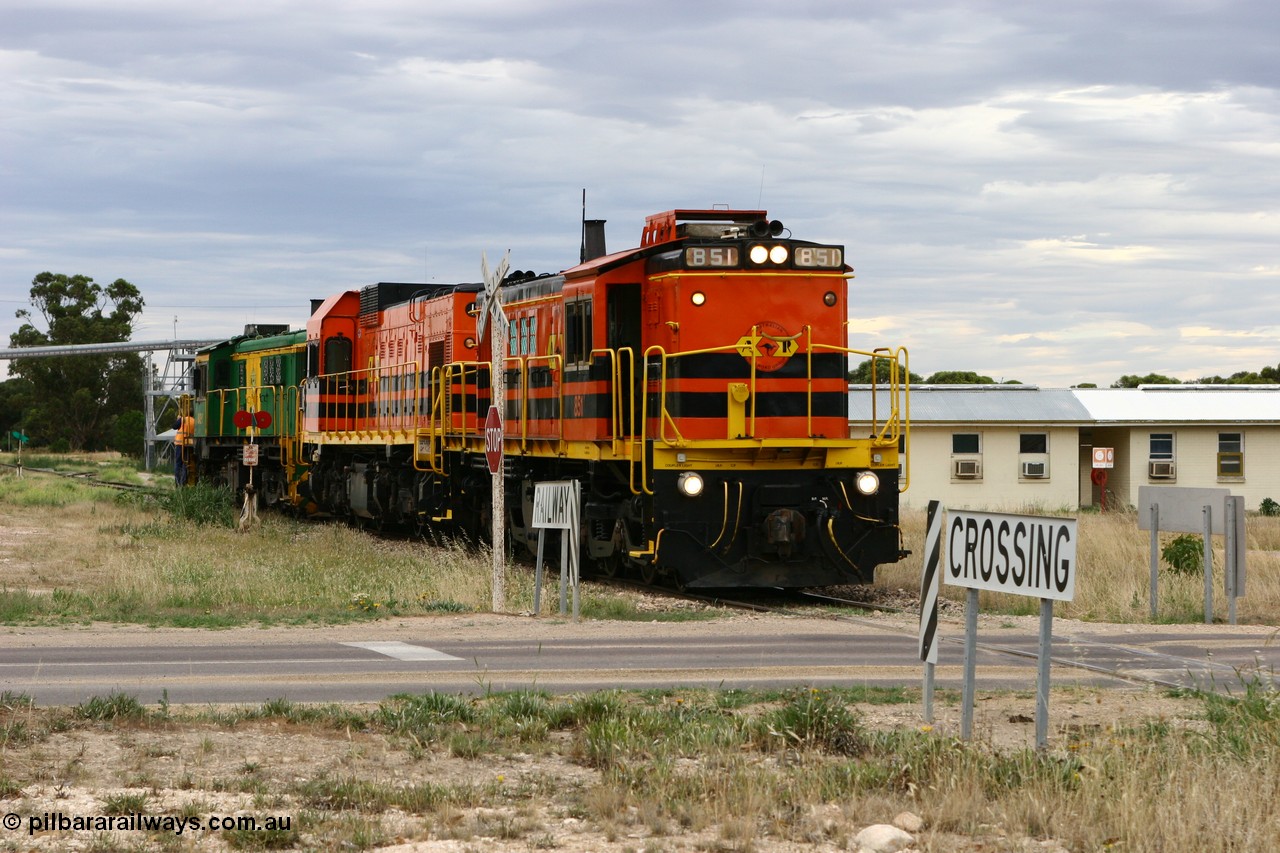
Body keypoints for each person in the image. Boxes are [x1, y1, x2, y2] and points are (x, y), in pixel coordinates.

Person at [173, 415, 193, 486]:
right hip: (189, 445)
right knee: (185, 463)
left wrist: (178, 419)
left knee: (178, 463)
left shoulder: (182, 419)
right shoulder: (194, 421)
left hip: (179, 444)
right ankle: (183, 482)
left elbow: (174, 426)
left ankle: (177, 482)